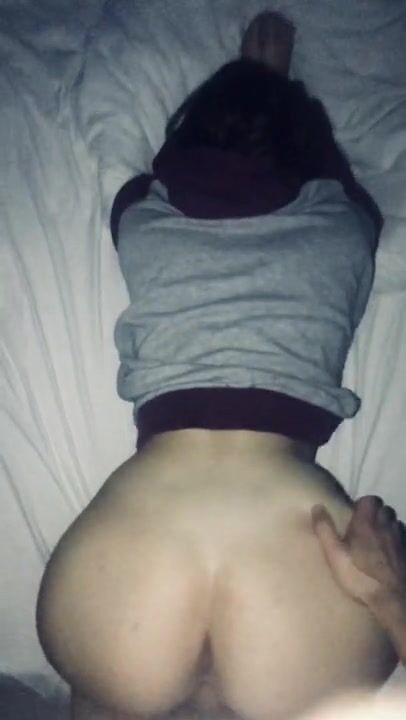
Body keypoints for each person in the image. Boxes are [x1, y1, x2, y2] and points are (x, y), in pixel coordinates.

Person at [35, 11, 404, 720]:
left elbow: (155, 179)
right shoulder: (342, 223)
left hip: (125, 569)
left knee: (107, 696)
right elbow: (340, 190)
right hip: (302, 571)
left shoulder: (143, 217)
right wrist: (275, 87)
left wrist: (251, 83)